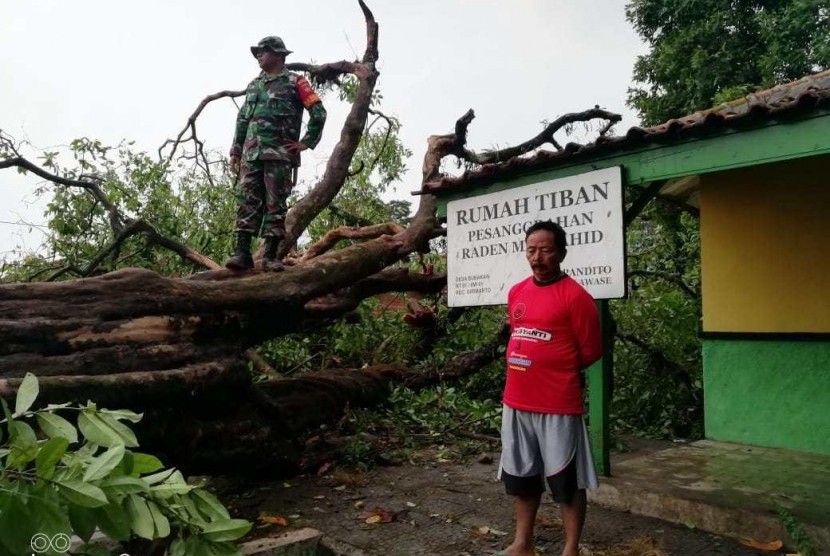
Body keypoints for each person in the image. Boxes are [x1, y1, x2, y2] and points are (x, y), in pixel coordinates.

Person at [496, 220, 602, 556]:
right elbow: (518, 332)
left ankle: (571, 549)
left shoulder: (576, 297)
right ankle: (522, 543)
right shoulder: (517, 292)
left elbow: (591, 350)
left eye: (545, 250)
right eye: (531, 250)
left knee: (565, 481)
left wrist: (553, 370)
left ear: (561, 253)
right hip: (517, 401)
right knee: (522, 477)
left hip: (558, 404)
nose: (537, 257)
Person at [225, 36, 327, 271]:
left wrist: (306, 143)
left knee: (275, 205)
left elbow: (319, 113)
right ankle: (242, 255)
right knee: (246, 202)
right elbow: (242, 120)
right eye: (258, 52)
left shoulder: (296, 82)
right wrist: (236, 151)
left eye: (264, 51)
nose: (259, 55)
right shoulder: (254, 85)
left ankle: (271, 257)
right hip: (251, 157)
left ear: (279, 55)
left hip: (279, 157)